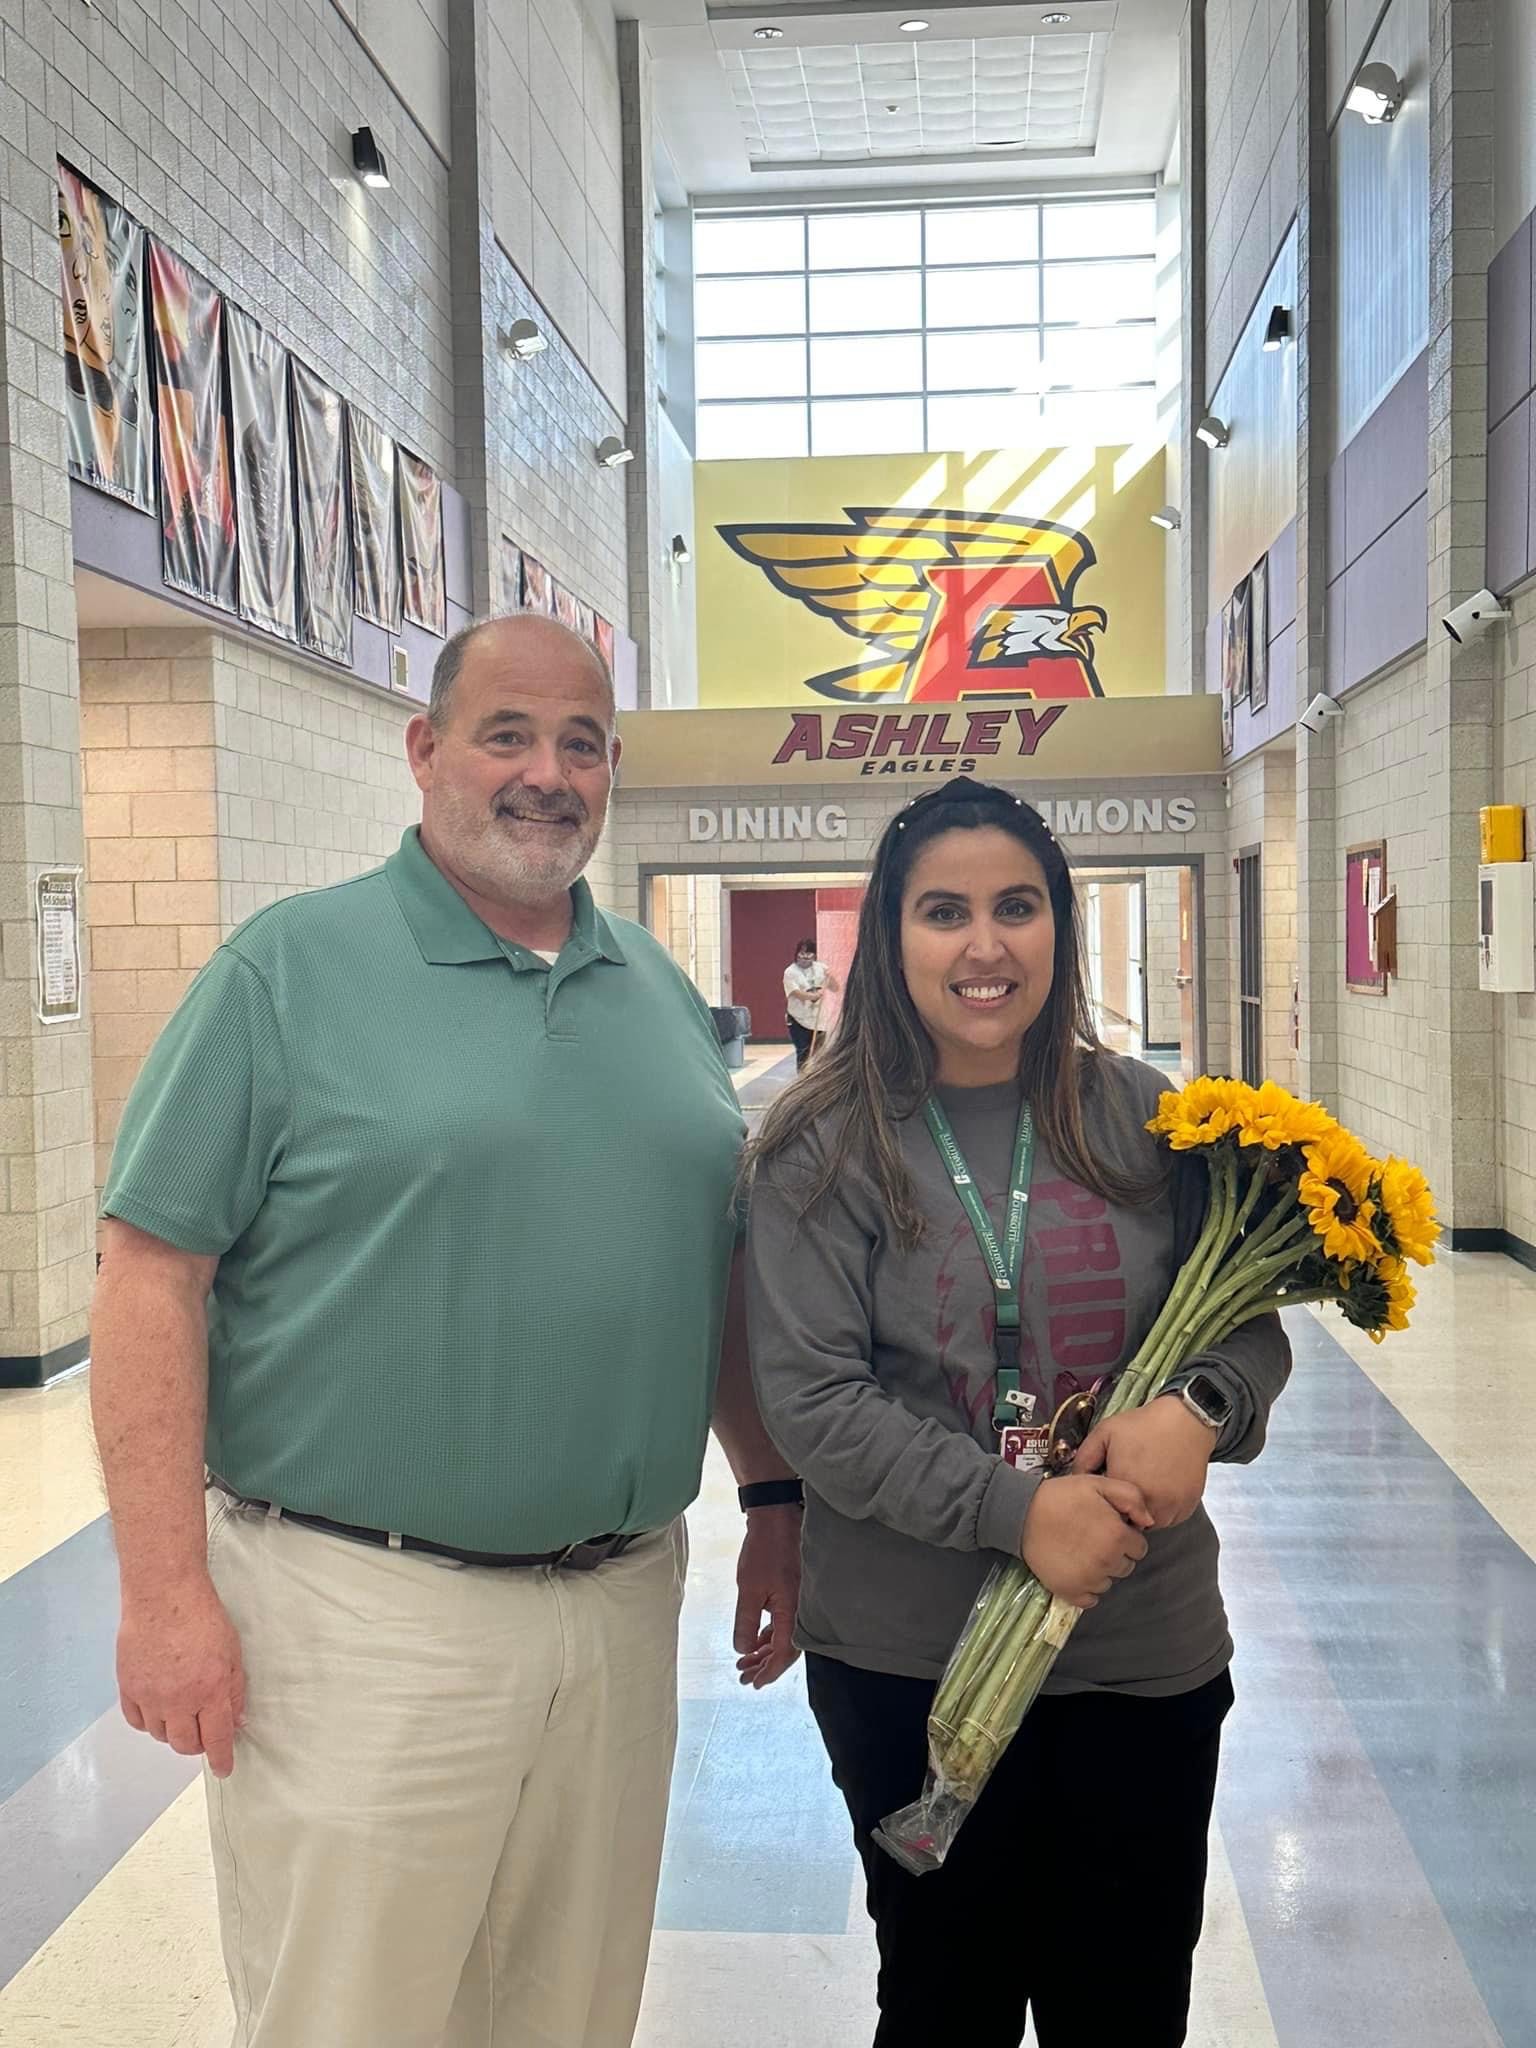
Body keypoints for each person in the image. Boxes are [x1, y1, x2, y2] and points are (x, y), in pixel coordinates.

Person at [90, 614, 803, 2048]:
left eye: (583, 744)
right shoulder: (285, 976)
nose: (548, 774)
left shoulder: (658, 1000)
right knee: (348, 2016)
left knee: (570, 2011)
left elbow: (706, 1271)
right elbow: (149, 1275)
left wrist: (772, 1495)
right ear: (425, 752)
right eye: (508, 735)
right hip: (358, 1616)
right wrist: (165, 1594)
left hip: (615, 1606)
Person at [743, 777, 1290, 2048]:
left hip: (1140, 1655)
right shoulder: (822, 1145)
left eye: (1016, 907)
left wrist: (1206, 1405)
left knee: (1128, 2006)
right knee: (944, 2003)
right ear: (889, 937)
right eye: (944, 911)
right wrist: (1017, 1508)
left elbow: (1250, 1319)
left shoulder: (1150, 1118)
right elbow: (813, 1399)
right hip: (909, 1664)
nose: (984, 945)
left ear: (1061, 926)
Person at [783, 937, 838, 1070]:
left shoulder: (821, 968)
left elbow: (835, 988)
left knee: (819, 1054)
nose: (804, 957)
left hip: (819, 1020)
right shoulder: (790, 972)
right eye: (801, 953)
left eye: (808, 953)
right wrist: (814, 996)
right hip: (798, 1019)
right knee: (803, 1052)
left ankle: (816, 1080)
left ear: (814, 955)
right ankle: (803, 1080)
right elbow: (797, 993)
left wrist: (830, 978)